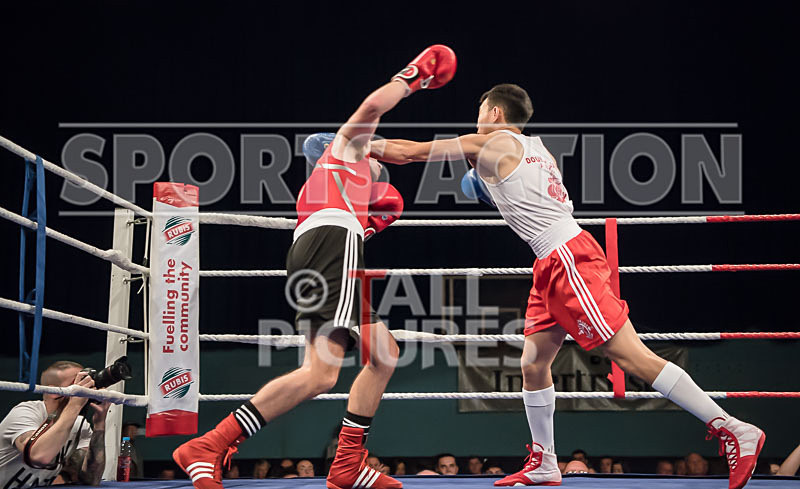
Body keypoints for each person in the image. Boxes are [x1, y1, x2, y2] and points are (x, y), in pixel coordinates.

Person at [372, 82, 765, 489]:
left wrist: (354, 142)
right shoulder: (538, 149)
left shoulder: (490, 142)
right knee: (533, 363)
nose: (477, 119)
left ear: (494, 113)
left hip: (567, 259)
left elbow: (409, 153)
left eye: (480, 111)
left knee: (631, 356)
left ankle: (734, 427)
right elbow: (528, 198)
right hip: (552, 261)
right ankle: (545, 462)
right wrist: (486, 188)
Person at [172, 44, 456, 489]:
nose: (383, 167)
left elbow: (408, 152)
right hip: (331, 247)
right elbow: (370, 110)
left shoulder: (349, 181)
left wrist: (474, 151)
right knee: (340, 367)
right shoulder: (345, 151)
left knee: (355, 364)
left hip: (328, 251)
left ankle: (345, 464)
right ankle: (209, 444)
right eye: (376, 158)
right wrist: (413, 77)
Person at [0, 360, 110, 488]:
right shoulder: (25, 412)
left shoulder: (79, 424)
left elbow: (91, 479)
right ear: (54, 392)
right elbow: (39, 457)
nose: (85, 388)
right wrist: (74, 405)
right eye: (77, 383)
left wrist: (99, 425)